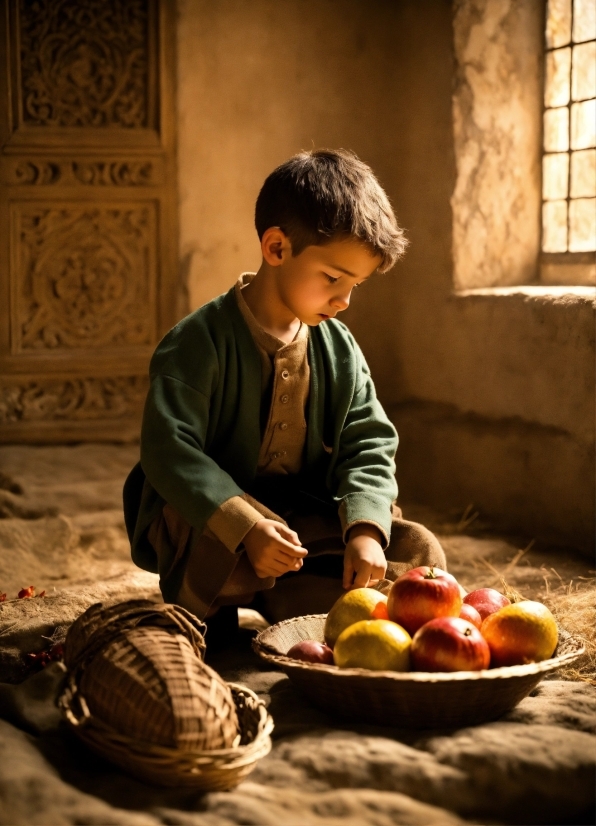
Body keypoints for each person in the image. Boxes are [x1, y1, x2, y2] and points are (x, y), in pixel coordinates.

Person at [123, 149, 446, 647]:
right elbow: (169, 450)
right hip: (218, 524)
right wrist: (246, 526)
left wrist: (364, 530)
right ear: (276, 248)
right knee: (203, 549)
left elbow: (369, 443)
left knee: (415, 551)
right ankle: (218, 612)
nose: (344, 301)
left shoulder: (339, 347)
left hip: (301, 532)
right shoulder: (195, 343)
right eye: (333, 279)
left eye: (355, 285)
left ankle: (285, 597)